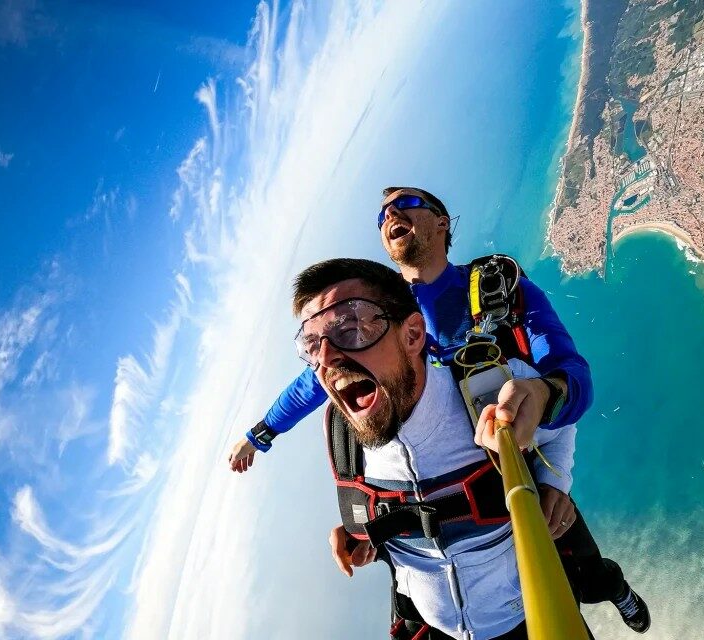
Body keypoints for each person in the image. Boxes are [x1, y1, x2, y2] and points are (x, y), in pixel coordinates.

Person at [227, 188, 650, 633]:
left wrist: (551, 450)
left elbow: (569, 374)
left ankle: (616, 590)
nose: (390, 212)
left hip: (513, 453)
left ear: (441, 221)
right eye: (382, 214)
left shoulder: (495, 293)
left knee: (576, 558)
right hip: (432, 508)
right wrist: (258, 436)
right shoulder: (371, 328)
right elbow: (312, 382)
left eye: (405, 204)